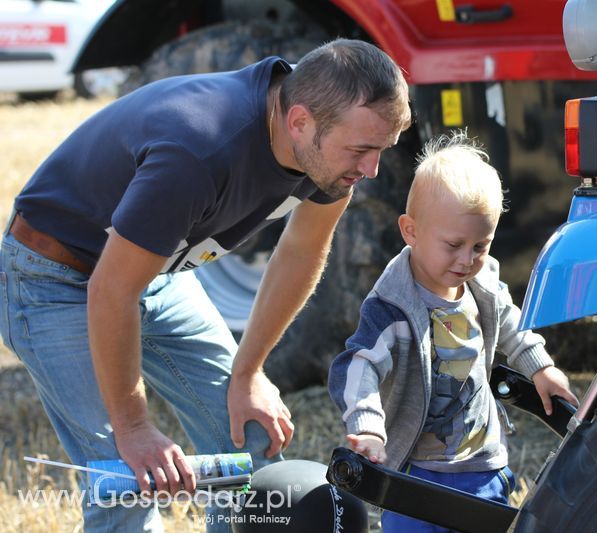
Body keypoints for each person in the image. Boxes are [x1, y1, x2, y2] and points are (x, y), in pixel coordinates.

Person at [0, 38, 411, 532]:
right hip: (56, 279)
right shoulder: (199, 150)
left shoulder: (325, 133)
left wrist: (248, 371)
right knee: (127, 479)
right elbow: (111, 292)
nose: (372, 170)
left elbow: (302, 251)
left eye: (382, 150)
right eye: (362, 150)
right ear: (299, 122)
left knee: (250, 437)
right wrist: (134, 429)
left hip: (152, 269)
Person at [327, 131, 579, 532]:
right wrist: (368, 425)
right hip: (417, 473)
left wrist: (540, 368)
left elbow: (511, 321)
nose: (468, 259)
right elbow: (358, 367)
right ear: (410, 231)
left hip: (482, 465)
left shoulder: (483, 286)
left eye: (481, 246)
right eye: (454, 245)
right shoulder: (392, 307)